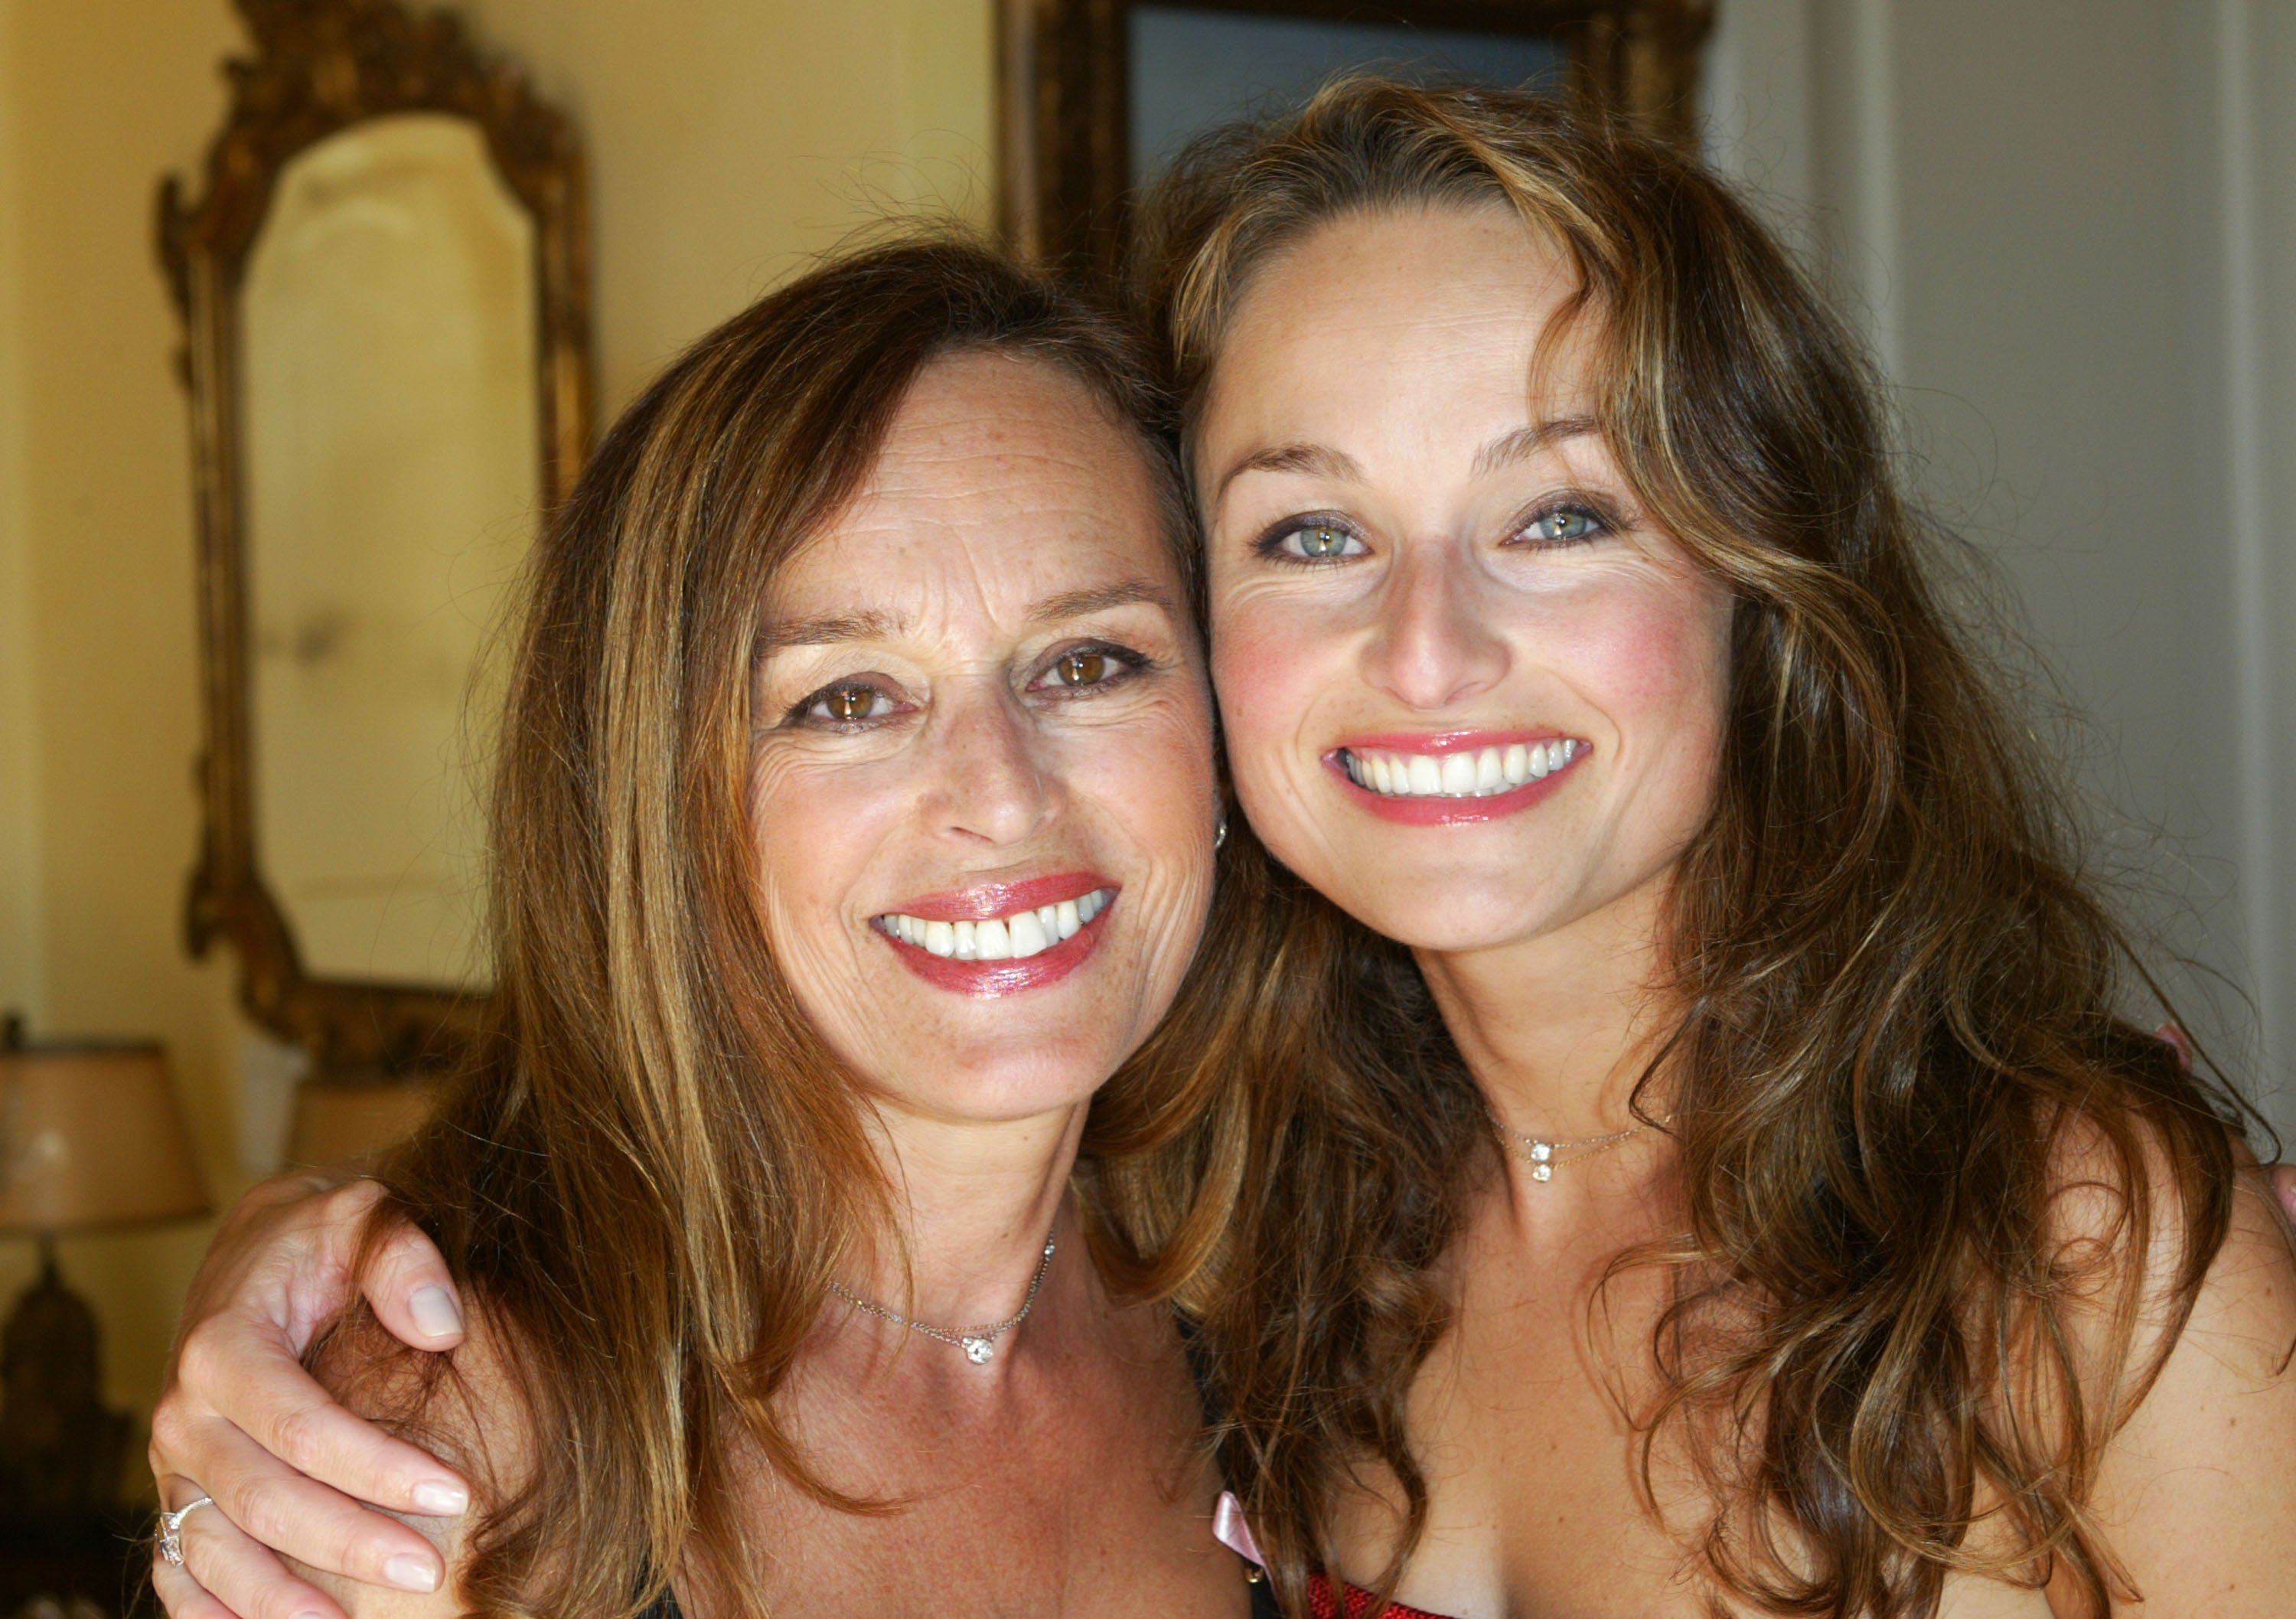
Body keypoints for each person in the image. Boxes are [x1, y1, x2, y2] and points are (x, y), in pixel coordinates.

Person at [154, 84, 2296, 1619]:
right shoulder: (1272, 1219)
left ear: (1770, 584)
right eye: (1311, 532)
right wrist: (315, 1274)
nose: (1429, 648)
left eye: (1558, 514)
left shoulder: (2072, 1246)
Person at [148, 236, 1268, 1618]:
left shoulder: (1280, 1278)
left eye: (1090, 662)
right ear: (661, 808)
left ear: (1221, 741)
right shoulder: (462, 1425)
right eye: (846, 697)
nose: (1000, 794)